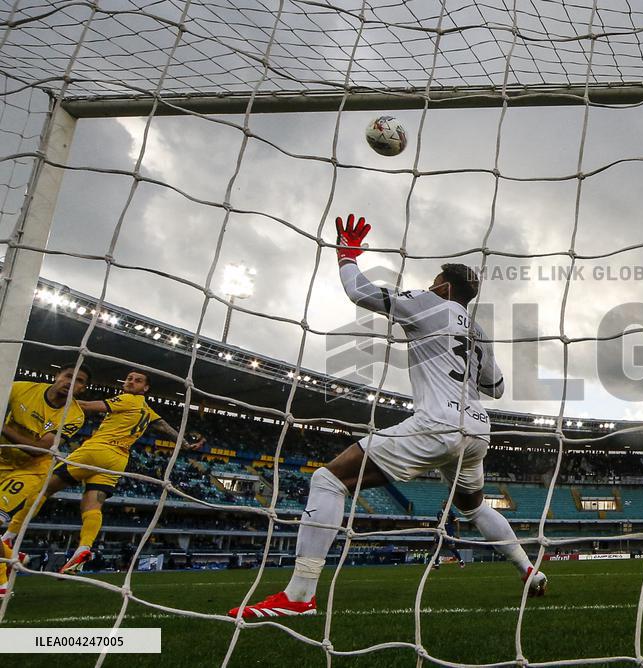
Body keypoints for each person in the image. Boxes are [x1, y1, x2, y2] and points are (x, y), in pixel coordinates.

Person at [228, 214, 545, 618]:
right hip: (477, 430)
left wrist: (346, 254)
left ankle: (298, 596)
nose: (429, 285)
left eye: (434, 281)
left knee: (328, 480)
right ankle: (528, 570)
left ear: (445, 287)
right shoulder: (479, 331)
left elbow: (359, 292)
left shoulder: (429, 302)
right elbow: (497, 388)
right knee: (474, 507)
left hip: (438, 423)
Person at [7, 369, 204, 575]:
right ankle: (83, 548)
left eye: (137, 381)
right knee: (92, 505)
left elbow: (85, 406)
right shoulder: (146, 409)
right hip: (119, 460)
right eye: (128, 378)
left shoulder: (128, 399)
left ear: (145, 388)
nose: (131, 382)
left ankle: (9, 538)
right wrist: (183, 443)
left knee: (42, 489)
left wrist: (50, 397)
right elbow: (163, 426)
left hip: (96, 450)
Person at [0, 364, 90, 594]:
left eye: (79, 381)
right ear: (56, 376)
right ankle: (11, 555)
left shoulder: (74, 415)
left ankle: (1, 581)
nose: (72, 382)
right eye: (69, 376)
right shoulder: (21, 389)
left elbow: (39, 450)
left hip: (31, 470)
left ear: (82, 389)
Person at [432, 501, 466, 569]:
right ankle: (436, 565)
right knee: (436, 547)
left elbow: (457, 522)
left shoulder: (451, 513)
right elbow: (438, 523)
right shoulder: (439, 513)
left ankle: (461, 561)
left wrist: (458, 533)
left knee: (452, 548)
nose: (443, 504)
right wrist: (435, 533)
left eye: (445, 503)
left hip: (448, 532)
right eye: (443, 503)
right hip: (440, 531)